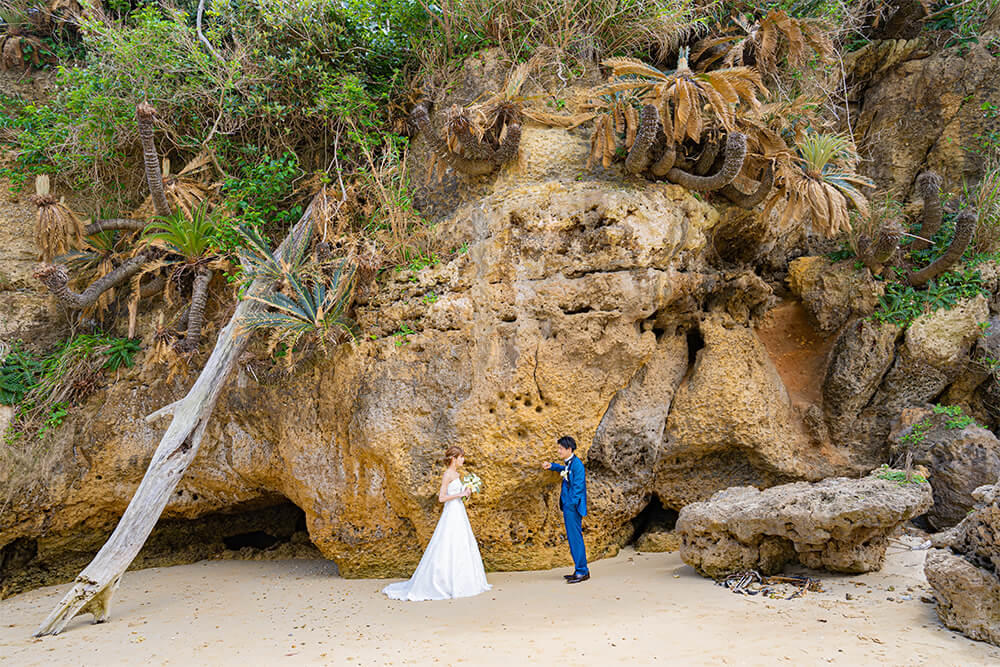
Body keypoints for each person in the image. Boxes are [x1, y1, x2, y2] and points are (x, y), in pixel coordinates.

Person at [382, 446, 491, 601]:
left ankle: (463, 580)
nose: (463, 460)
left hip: (459, 512)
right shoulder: (447, 474)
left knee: (461, 543)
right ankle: (444, 582)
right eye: (461, 457)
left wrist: (466, 492)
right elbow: (441, 498)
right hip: (451, 512)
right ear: (453, 458)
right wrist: (459, 493)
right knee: (448, 543)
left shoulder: (457, 474)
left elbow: (459, 497)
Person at [542, 436, 589, 583]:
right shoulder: (570, 463)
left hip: (573, 508)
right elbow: (565, 470)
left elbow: (578, 487)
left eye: (561, 448)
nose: (559, 451)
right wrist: (553, 466)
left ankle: (582, 571)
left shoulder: (577, 465)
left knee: (576, 538)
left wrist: (569, 503)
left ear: (569, 449)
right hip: (569, 507)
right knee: (573, 539)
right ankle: (579, 570)